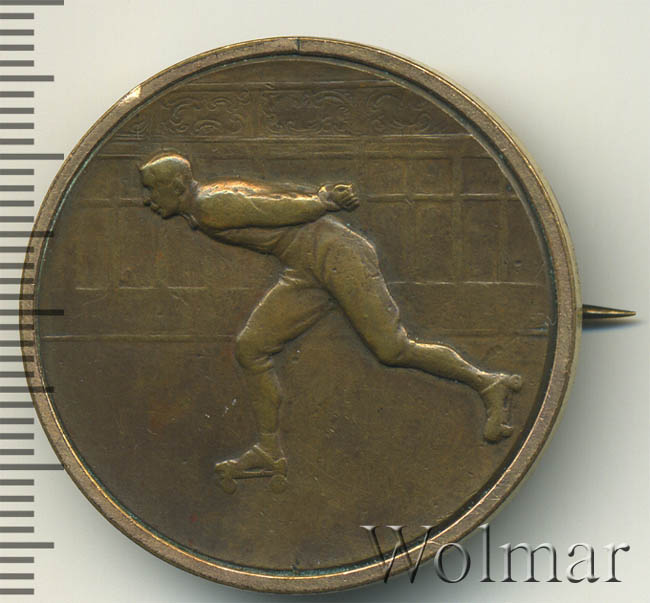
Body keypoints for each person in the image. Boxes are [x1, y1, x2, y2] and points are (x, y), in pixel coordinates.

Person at [139, 152, 522, 477]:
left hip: (337, 255)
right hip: (306, 267)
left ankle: (488, 383)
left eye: (152, 189)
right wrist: (319, 198)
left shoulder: (209, 206)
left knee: (393, 349)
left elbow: (276, 209)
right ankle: (270, 450)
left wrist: (322, 202)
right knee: (251, 347)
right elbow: (276, 194)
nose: (147, 200)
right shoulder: (208, 201)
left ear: (177, 187)